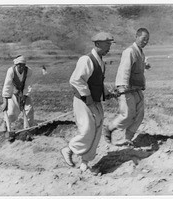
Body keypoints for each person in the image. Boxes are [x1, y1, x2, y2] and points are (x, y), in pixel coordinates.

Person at [61, 32, 115, 172]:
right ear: (97, 44)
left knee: (97, 130)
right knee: (87, 130)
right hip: (83, 101)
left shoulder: (101, 62)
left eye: (110, 44)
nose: (109, 47)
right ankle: (69, 149)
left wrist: (107, 93)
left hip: (95, 101)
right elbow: (76, 80)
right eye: (107, 44)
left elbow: (98, 82)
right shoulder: (86, 60)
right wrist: (87, 96)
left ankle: (85, 163)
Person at [103, 28, 151, 146]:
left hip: (137, 88)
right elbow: (124, 69)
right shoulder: (129, 51)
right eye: (143, 39)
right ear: (136, 36)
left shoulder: (140, 52)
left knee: (140, 114)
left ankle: (128, 138)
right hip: (127, 88)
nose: (145, 42)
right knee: (127, 114)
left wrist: (145, 66)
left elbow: (137, 65)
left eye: (147, 40)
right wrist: (122, 87)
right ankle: (109, 128)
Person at [1, 55, 34, 131]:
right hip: (13, 92)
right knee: (12, 113)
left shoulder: (28, 71)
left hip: (24, 92)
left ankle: (28, 129)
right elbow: (7, 86)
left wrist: (24, 97)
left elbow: (28, 85)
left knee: (29, 109)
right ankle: (6, 124)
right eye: (19, 65)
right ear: (16, 65)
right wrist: (5, 102)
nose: (21, 67)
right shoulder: (11, 71)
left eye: (23, 65)